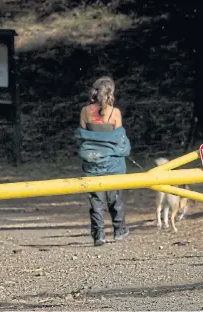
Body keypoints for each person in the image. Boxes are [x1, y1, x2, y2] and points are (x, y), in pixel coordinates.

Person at [75, 76, 131, 246]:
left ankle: (99, 235)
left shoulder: (85, 111)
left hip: (92, 164)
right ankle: (119, 230)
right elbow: (119, 140)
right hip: (113, 164)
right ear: (110, 93)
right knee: (115, 198)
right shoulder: (115, 113)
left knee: (95, 200)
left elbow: (82, 139)